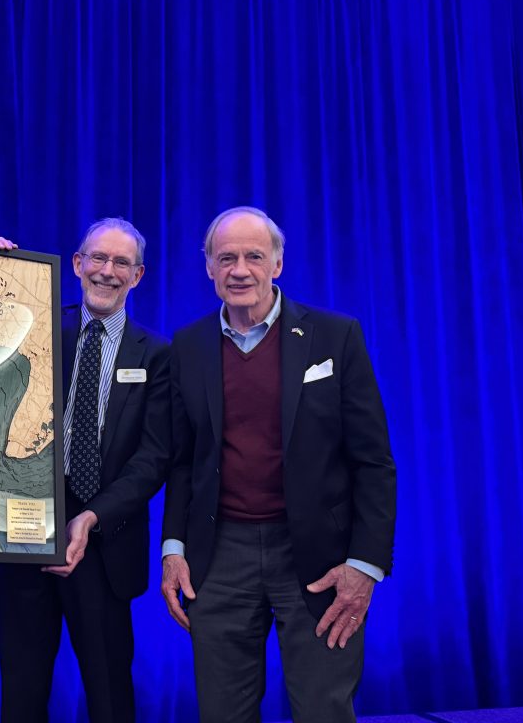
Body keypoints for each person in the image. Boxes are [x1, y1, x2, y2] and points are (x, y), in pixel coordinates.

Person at [160, 208, 397, 722]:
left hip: (318, 560)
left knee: (323, 711)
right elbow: (183, 461)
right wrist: (173, 548)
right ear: (208, 268)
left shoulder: (336, 337)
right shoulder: (188, 346)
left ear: (278, 264)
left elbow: (374, 461)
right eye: (226, 258)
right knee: (222, 713)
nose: (240, 269)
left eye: (253, 256)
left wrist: (365, 566)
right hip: (218, 559)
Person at [0, 219, 171, 723]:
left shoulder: (156, 354)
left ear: (138, 275)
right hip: (25, 538)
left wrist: (90, 519)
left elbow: (153, 459)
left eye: (122, 263)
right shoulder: (36, 326)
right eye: (98, 259)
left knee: (110, 698)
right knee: (21, 696)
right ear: (77, 264)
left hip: (105, 544)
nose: (108, 272)